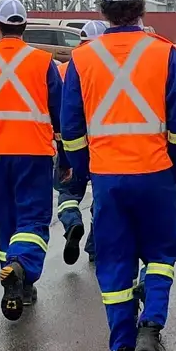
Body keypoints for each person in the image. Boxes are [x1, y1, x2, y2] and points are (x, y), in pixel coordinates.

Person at [60, 0, 176, 351]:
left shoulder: (81, 59)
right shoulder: (165, 53)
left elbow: (71, 126)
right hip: (155, 173)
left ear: (103, 11)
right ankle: (151, 327)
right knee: (161, 255)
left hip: (108, 176)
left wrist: (83, 170)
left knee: (115, 264)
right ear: (141, 8)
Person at [0, 0, 65, 321]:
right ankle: (22, 268)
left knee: (7, 222)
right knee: (33, 221)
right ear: (24, 26)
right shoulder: (42, 61)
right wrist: (66, 157)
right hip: (33, 152)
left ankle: (16, 280)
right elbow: (60, 116)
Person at [53, 18, 107, 264]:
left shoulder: (66, 67)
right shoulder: (108, 67)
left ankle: (72, 221)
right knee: (101, 197)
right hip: (99, 144)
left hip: (70, 142)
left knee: (67, 192)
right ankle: (95, 247)